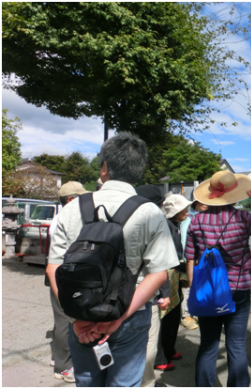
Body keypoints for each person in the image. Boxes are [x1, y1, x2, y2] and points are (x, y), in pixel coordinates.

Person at [47, 132, 178, 387]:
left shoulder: (72, 208)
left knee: (86, 381)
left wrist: (78, 319)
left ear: (104, 167)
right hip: (131, 314)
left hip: (80, 313)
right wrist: (119, 317)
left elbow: (54, 267)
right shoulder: (150, 211)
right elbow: (159, 274)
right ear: (138, 170)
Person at [185, 170, 251, 387]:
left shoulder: (196, 221)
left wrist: (194, 290)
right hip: (238, 289)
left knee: (208, 344)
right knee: (237, 345)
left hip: (208, 291)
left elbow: (190, 259)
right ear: (233, 193)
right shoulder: (243, 218)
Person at [47, 181, 89, 383]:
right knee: (65, 320)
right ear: (71, 199)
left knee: (61, 319)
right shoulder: (65, 218)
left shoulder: (60, 217)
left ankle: (58, 356)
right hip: (62, 273)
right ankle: (63, 366)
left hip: (60, 272)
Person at [135, 184, 169, 388]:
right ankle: (146, 382)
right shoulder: (157, 222)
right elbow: (162, 267)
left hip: (120, 291)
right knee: (148, 340)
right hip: (147, 291)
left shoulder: (121, 216)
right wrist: (164, 295)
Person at [154, 193, 193, 372]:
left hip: (174, 275)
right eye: (184, 208)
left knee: (174, 316)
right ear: (175, 211)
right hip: (167, 277)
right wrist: (188, 267)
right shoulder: (167, 227)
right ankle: (160, 357)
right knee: (166, 317)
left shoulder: (174, 225)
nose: (187, 211)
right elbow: (167, 257)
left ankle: (169, 350)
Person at [179, 199, 208, 330]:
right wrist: (188, 258)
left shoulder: (205, 217)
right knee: (187, 286)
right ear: (195, 203)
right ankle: (186, 315)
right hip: (190, 259)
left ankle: (195, 312)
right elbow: (184, 239)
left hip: (201, 259)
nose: (206, 205)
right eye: (202, 202)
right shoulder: (189, 217)